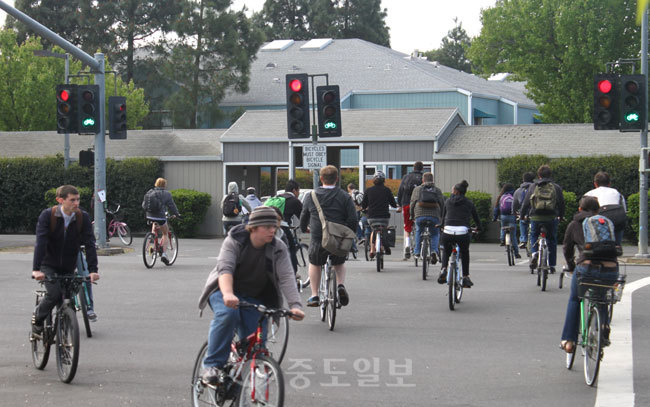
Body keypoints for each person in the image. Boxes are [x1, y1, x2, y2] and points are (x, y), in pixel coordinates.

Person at [197, 206, 305, 385]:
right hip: (223, 291)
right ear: (253, 227)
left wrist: (295, 305)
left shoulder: (278, 247)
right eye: (268, 226)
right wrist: (228, 294)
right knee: (227, 314)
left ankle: (246, 381)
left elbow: (286, 277)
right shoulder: (235, 240)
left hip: (255, 296)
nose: (273, 230)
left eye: (275, 227)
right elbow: (225, 269)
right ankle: (212, 366)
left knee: (255, 345)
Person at [31, 185, 99, 335]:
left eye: (78, 199)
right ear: (60, 200)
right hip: (48, 264)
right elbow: (40, 243)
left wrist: (93, 270)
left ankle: (65, 342)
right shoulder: (48, 216)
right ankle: (38, 318)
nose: (76, 203)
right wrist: (36, 269)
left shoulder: (83, 217)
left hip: (69, 265)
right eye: (72, 200)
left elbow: (90, 244)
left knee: (68, 302)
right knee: (54, 295)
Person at [560, 196, 619, 353]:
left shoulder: (574, 224)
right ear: (598, 210)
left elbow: (567, 249)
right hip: (611, 269)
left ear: (580, 209)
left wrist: (572, 266)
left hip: (586, 268)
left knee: (575, 298)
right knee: (601, 296)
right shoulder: (605, 223)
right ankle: (604, 324)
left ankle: (569, 341)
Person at [300, 165, 357, 307]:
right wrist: (349, 234)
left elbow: (304, 216)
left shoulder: (311, 196)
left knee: (315, 263)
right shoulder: (345, 196)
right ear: (337, 179)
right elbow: (353, 219)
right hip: (338, 238)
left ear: (321, 179)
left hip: (319, 237)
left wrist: (304, 228)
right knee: (339, 262)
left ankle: (314, 295)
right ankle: (340, 286)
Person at [520, 165, 565, 273]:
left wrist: (522, 215)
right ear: (550, 175)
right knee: (551, 239)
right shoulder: (556, 187)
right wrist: (561, 216)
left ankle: (535, 253)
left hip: (535, 216)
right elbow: (561, 203)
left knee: (534, 235)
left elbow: (526, 203)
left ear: (539, 175)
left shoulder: (533, 186)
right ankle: (552, 265)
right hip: (551, 217)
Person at [438, 180, 481, 288]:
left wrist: (441, 226)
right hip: (462, 232)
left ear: (456, 192)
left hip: (447, 231)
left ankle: (443, 269)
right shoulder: (469, 203)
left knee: (446, 251)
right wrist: (479, 228)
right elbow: (476, 218)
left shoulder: (447, 201)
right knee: (464, 252)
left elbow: (443, 218)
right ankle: (466, 276)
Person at [143, 178, 181, 265]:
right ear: (164, 185)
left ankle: (152, 239)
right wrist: (177, 214)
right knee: (165, 233)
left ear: (156, 184)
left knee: (154, 223)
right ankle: (164, 254)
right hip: (160, 216)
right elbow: (172, 206)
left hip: (149, 215)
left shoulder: (150, 192)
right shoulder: (167, 194)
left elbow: (143, 204)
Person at [361, 171, 398, 258]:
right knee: (383, 229)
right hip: (384, 217)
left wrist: (364, 209)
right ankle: (384, 246)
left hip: (372, 217)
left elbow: (363, 205)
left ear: (374, 180)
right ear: (383, 180)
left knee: (373, 230)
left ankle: (372, 250)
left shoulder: (368, 190)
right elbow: (393, 204)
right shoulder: (387, 190)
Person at [583, 171, 627, 246]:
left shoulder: (589, 194)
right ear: (609, 183)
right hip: (617, 220)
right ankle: (617, 247)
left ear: (595, 184)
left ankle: (590, 247)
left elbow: (583, 213)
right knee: (616, 243)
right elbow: (624, 210)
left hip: (599, 219)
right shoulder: (617, 193)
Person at [410, 172, 445, 263]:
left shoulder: (417, 189)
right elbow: (442, 204)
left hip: (420, 215)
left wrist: (411, 215)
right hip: (434, 216)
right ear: (432, 180)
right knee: (434, 233)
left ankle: (417, 252)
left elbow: (412, 203)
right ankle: (434, 251)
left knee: (419, 231)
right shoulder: (437, 190)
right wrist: (441, 217)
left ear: (423, 180)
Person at [270, 180, 303, 274]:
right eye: (298, 191)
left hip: (268, 226)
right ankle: (292, 273)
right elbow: (303, 217)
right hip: (282, 227)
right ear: (294, 190)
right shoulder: (294, 201)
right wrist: (306, 227)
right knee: (292, 247)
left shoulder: (277, 198)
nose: (299, 193)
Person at [397, 161, 424, 259]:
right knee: (420, 227)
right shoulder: (423, 178)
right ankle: (420, 249)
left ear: (413, 168)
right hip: (420, 205)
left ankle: (407, 245)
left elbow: (400, 191)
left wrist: (400, 204)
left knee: (407, 227)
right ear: (422, 168)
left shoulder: (406, 177)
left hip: (406, 204)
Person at [492, 183, 521, 258]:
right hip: (512, 216)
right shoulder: (514, 196)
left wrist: (495, 218)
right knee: (513, 236)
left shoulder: (501, 197)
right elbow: (518, 207)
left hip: (503, 216)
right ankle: (516, 253)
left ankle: (502, 240)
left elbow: (496, 209)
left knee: (503, 227)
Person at [512, 172, 535, 249]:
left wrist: (514, 212)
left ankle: (523, 240)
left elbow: (514, 204)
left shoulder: (518, 191)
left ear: (523, 179)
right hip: (534, 212)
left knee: (522, 222)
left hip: (523, 213)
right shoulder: (535, 188)